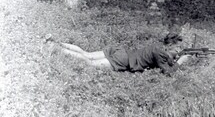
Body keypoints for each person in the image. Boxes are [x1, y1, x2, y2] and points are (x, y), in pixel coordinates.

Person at [60, 33, 190, 76]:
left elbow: (166, 59)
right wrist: (181, 61)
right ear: (170, 45)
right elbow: (167, 71)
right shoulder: (161, 54)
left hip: (121, 52)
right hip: (124, 60)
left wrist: (174, 58)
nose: (178, 51)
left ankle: (58, 44)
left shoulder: (158, 47)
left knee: (86, 54)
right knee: (89, 63)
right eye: (177, 48)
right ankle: (59, 51)